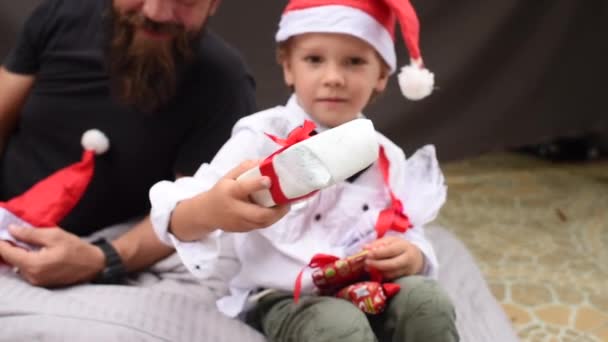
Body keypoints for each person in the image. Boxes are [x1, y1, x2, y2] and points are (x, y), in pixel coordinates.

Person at [150, 0, 459, 341]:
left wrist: (412, 255)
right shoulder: (261, 138)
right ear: (288, 68)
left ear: (382, 76)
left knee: (429, 302)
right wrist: (209, 209)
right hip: (288, 295)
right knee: (339, 327)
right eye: (314, 60)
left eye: (354, 62)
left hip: (369, 286)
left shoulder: (388, 156)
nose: (333, 78)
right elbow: (181, 205)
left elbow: (407, 226)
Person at [0, 0, 288, 289]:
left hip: (109, 247)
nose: (156, 13)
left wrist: (102, 258)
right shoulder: (59, 16)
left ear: (213, 5)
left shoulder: (225, 82)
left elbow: (190, 208)